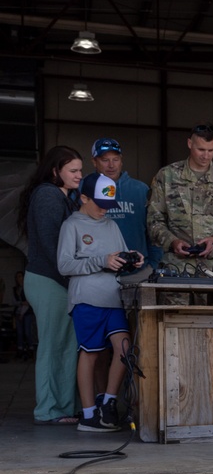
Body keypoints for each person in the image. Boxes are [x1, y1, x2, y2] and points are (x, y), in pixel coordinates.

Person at [56, 173, 143, 432]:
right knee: (91, 352)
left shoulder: (111, 225)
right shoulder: (71, 225)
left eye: (109, 205)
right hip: (86, 298)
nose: (105, 210)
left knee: (124, 348)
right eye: (100, 204)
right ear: (83, 198)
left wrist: (131, 259)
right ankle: (89, 414)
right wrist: (100, 261)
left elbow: (117, 257)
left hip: (113, 298)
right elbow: (64, 265)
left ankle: (108, 401)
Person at [16, 145, 84, 425]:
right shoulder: (47, 195)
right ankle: (48, 409)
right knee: (54, 346)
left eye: (81, 170)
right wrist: (73, 278)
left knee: (66, 345)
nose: (80, 175)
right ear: (56, 171)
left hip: (58, 280)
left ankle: (62, 407)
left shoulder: (64, 197)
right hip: (49, 279)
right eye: (73, 170)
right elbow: (50, 245)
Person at [147, 122, 213, 269]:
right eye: (201, 149)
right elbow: (153, 221)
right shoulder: (166, 176)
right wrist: (172, 241)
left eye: (211, 150)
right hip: (176, 268)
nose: (205, 156)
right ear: (190, 143)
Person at [90, 137, 160, 268]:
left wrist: (154, 265)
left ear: (121, 160)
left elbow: (154, 229)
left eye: (115, 159)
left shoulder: (140, 189)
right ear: (94, 162)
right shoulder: (83, 189)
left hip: (137, 271)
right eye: (105, 160)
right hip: (97, 271)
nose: (111, 165)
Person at [13, 270, 37, 360]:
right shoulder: (15, 289)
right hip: (18, 312)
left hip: (27, 313)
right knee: (19, 332)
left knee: (27, 332)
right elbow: (14, 302)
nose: (19, 279)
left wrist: (23, 305)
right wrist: (21, 303)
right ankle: (20, 349)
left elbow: (29, 302)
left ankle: (30, 348)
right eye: (17, 277)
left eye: (20, 276)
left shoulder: (28, 288)